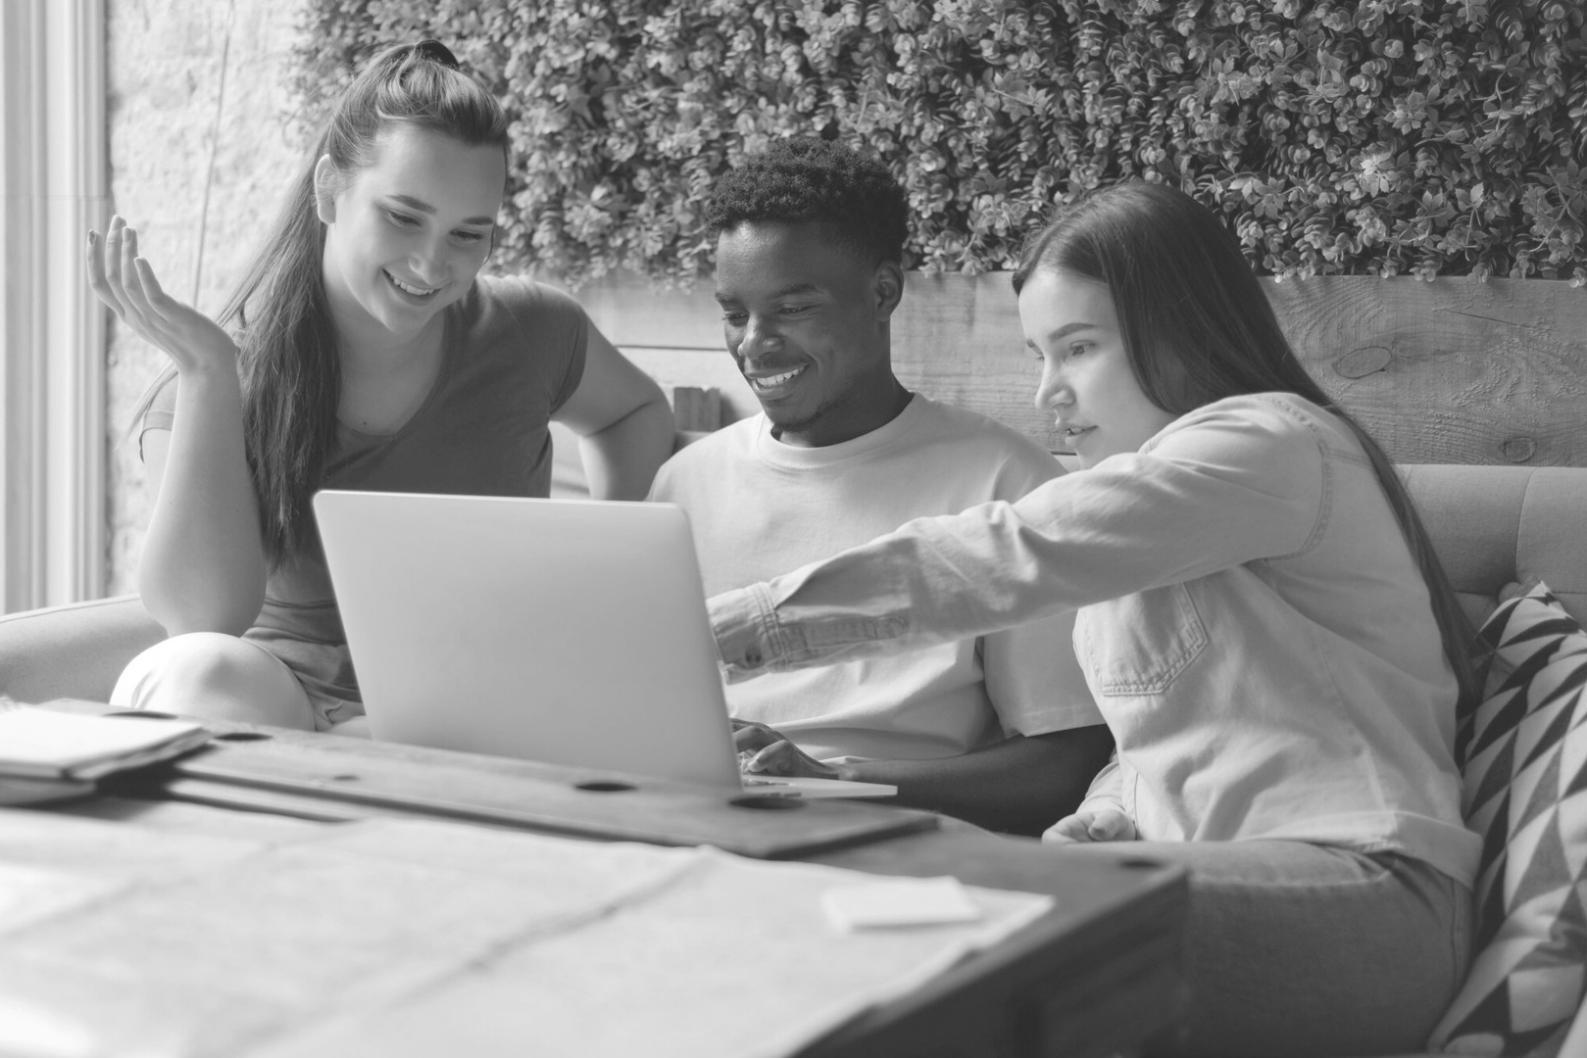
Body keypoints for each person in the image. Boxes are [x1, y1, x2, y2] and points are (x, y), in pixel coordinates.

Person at [706, 181, 1478, 1056]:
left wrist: (721, 633)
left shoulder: (1270, 443)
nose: (1047, 394)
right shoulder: (1162, 515)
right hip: (1225, 879)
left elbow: (1002, 555)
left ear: (1179, 327)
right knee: (854, 899)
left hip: (1362, 893)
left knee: (933, 906)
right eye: (1039, 355)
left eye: (1076, 349)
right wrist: (1111, 810)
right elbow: (1177, 726)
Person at [87, 40, 673, 733]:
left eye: (469, 234)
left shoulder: (529, 328)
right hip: (287, 704)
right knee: (193, 671)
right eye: (403, 217)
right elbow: (200, 621)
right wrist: (208, 374)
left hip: (481, 692)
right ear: (330, 190)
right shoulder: (217, 379)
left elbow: (633, 411)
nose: (432, 263)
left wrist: (596, 564)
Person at [649, 138, 1111, 835]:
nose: (753, 343)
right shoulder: (682, 483)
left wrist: (836, 785)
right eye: (734, 312)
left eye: (793, 308)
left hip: (882, 839)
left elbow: (1062, 766)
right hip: (682, 825)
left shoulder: (1003, 482)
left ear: (881, 292)